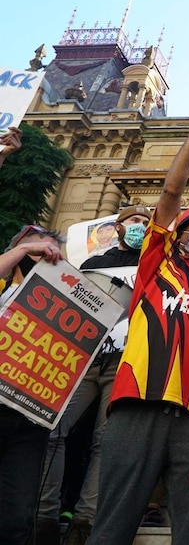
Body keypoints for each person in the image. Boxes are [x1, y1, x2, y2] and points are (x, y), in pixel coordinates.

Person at [88, 101, 189, 545]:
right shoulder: (158, 264)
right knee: (112, 527)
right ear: (178, 235)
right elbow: (171, 195)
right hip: (139, 404)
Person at [36, 205, 151, 545]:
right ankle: (44, 513)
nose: (141, 227)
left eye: (146, 223)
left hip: (126, 363)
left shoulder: (156, 264)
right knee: (52, 428)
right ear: (117, 227)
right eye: (134, 221)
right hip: (83, 359)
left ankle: (85, 521)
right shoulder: (91, 265)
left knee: (107, 442)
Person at [0, 224, 64, 545]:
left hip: (29, 421)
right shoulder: (2, 285)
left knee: (16, 516)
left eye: (52, 251)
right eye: (38, 248)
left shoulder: (64, 304)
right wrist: (23, 251)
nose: (45, 254)